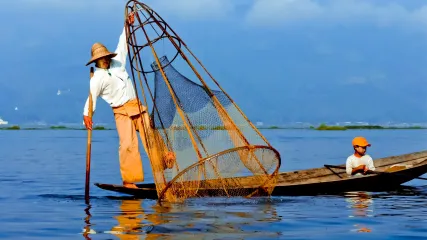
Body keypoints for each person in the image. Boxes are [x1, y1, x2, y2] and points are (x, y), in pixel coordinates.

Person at [83, 12, 150, 189]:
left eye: (105, 57)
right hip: (120, 111)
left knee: (151, 135)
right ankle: (129, 181)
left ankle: (164, 167)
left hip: (135, 105)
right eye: (100, 59)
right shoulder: (97, 78)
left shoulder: (118, 62)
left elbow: (123, 43)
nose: (104, 60)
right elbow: (91, 98)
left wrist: (127, 24)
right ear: (96, 61)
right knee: (128, 145)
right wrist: (87, 115)